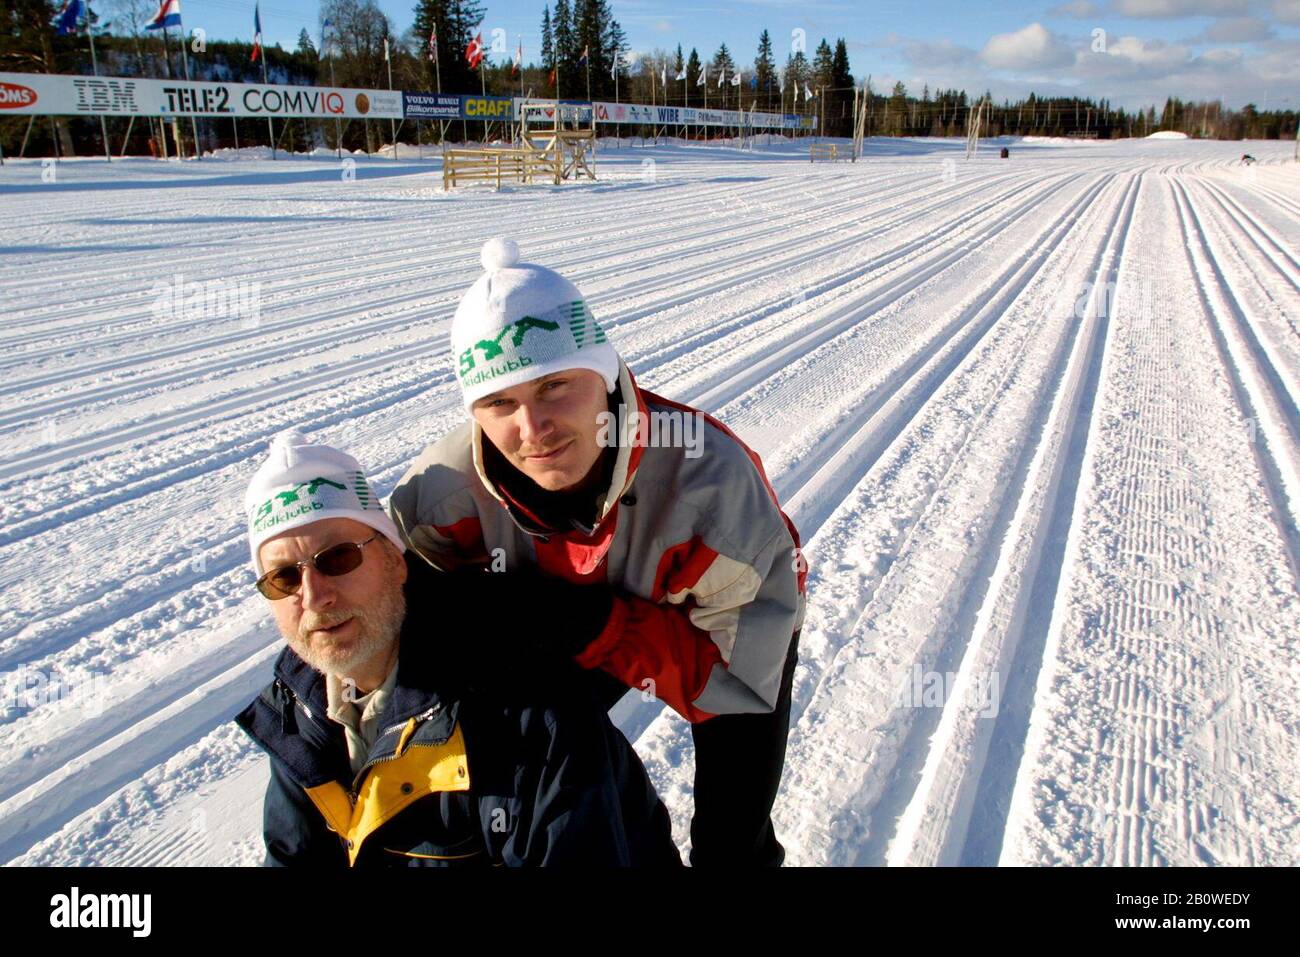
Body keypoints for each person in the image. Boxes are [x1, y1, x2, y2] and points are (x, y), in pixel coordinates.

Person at [389, 238, 808, 866]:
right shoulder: (441, 496)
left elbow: (736, 681)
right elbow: (398, 650)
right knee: (516, 722)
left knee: (733, 840)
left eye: (555, 385)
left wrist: (595, 626)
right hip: (560, 638)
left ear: (604, 374)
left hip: (706, 632)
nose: (532, 430)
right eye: (499, 403)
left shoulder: (712, 488)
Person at [233, 429, 682, 867]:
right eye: (284, 578)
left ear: (394, 560)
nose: (315, 597)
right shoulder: (300, 710)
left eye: (338, 558)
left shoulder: (526, 708)